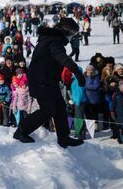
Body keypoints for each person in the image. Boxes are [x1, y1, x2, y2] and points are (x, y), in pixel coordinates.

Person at [13, 18, 86, 148]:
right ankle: (21, 131)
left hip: (48, 81)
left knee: (60, 107)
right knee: (48, 110)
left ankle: (63, 138)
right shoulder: (54, 42)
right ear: (65, 32)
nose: (71, 38)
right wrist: (77, 72)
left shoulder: (50, 39)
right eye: (72, 34)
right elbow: (63, 59)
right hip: (41, 82)